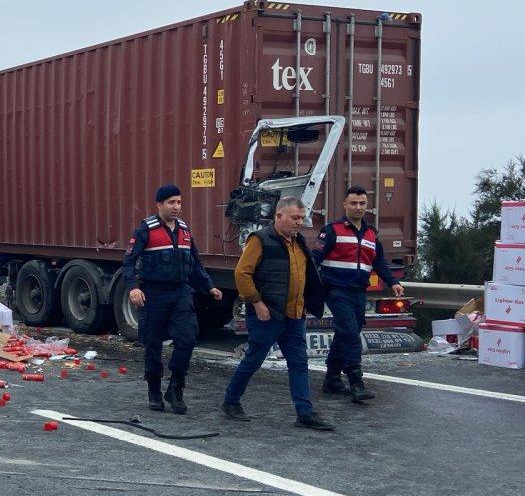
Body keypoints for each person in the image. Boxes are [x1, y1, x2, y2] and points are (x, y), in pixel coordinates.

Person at [221, 196, 332, 431]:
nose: (299, 222)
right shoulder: (260, 240)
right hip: (268, 315)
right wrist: (257, 303)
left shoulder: (299, 242)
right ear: (279, 216)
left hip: (294, 316)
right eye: (295, 218)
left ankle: (305, 412)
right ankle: (230, 401)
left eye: (301, 218)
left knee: (299, 363)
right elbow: (242, 274)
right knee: (253, 360)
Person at [120, 184, 223, 413]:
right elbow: (128, 263)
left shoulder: (185, 230)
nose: (176, 207)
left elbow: (195, 263)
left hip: (181, 293)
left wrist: (209, 287)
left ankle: (176, 388)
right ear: (159, 205)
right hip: (154, 293)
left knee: (187, 339)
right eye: (171, 203)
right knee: (153, 344)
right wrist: (133, 288)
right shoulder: (146, 229)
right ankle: (154, 390)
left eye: (179, 202)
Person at [313, 186, 404, 403]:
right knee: (351, 334)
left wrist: (393, 283)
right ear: (345, 204)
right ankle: (356, 382)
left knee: (345, 333)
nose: (358, 207)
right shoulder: (332, 230)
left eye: (362, 203)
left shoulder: (371, 233)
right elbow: (314, 258)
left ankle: (332, 379)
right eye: (353, 203)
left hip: (358, 291)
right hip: (335, 290)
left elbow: (379, 262)